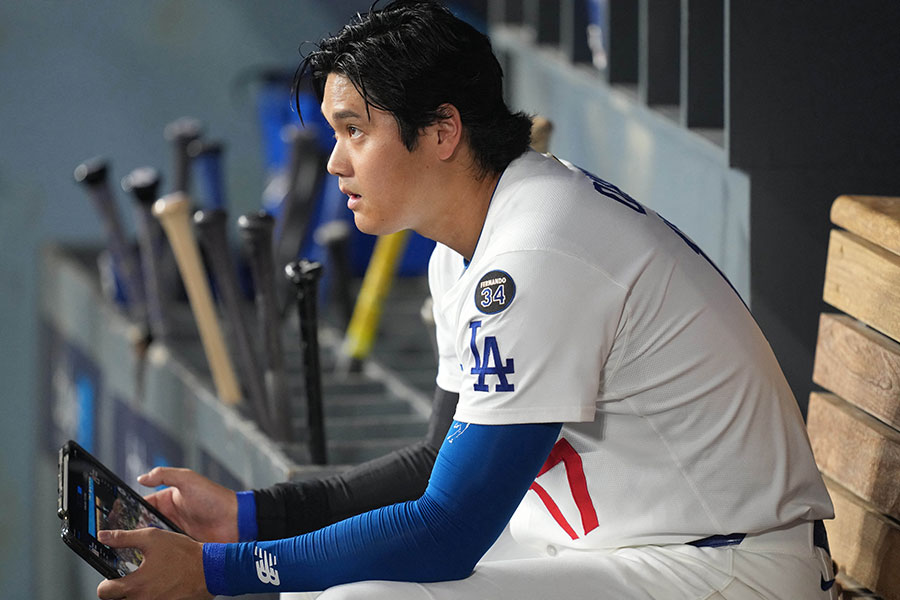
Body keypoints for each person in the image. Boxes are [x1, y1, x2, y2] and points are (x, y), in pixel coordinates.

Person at [96, 1, 837, 599]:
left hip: (727, 569)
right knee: (335, 583)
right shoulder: (475, 241)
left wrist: (219, 574)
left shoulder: (535, 250)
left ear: (443, 130)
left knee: (364, 599)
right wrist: (247, 518)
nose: (334, 160)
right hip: (628, 541)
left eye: (356, 129)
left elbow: (448, 530)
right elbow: (433, 466)